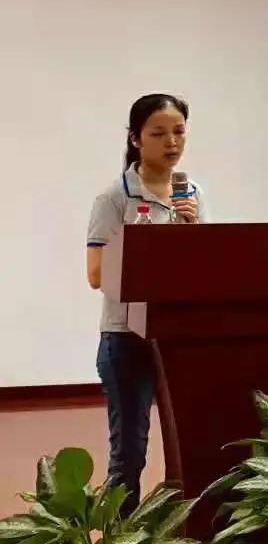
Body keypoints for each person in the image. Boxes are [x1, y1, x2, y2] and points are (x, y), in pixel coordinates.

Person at [85, 94, 206, 515]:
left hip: (178, 338)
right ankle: (121, 539)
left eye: (179, 132)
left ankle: (180, 533)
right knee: (130, 452)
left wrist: (192, 230)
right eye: (158, 133)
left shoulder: (192, 195)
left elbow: (206, 268)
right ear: (136, 139)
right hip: (127, 339)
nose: (172, 142)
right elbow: (96, 274)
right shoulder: (114, 198)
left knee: (186, 445)